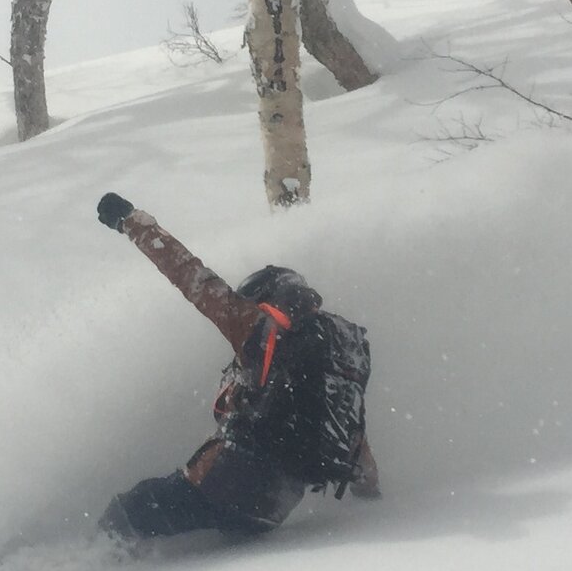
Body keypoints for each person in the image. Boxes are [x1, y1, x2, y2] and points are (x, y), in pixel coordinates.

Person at [94, 191, 379, 544]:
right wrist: (372, 500)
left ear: (265, 298)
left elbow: (190, 275)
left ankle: (84, 570)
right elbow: (356, 442)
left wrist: (131, 221)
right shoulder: (337, 358)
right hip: (271, 509)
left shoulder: (256, 325)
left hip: (226, 479)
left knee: (130, 510)